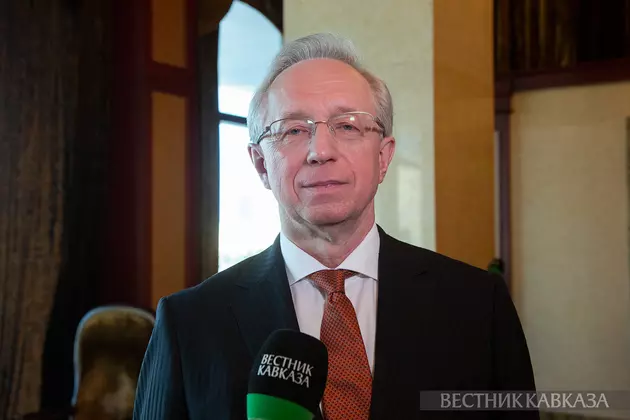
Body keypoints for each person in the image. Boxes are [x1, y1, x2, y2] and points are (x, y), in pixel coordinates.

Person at [133, 33, 538, 420]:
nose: (321, 151)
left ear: (383, 157)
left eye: (347, 126)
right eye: (293, 130)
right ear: (261, 164)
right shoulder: (190, 323)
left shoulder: (478, 305)